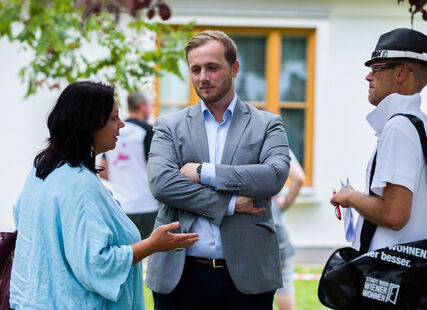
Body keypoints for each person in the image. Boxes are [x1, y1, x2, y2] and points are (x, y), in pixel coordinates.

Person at [9, 81, 198, 309]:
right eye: (113, 118)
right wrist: (152, 245)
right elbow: (97, 263)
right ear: (90, 124)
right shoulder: (78, 184)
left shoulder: (43, 167)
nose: (121, 125)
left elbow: (24, 220)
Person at [145, 30, 291, 310]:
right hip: (179, 275)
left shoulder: (267, 124)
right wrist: (231, 203)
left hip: (248, 277)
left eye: (212, 67)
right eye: (195, 69)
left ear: (234, 68)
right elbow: (162, 184)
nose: (203, 77)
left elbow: (273, 177)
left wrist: (204, 172)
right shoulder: (168, 125)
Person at [330, 28, 427, 253]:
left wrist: (351, 196)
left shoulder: (399, 128)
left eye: (376, 68)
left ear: (401, 73)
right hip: (412, 277)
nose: (368, 76)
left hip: (388, 278)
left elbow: (394, 215)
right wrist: (422, 231)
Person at [100, 90, 160, 239]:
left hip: (121, 205)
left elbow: (103, 170)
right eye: (150, 105)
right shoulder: (147, 131)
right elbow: (155, 168)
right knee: (148, 256)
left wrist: (122, 176)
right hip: (147, 205)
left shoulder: (114, 130)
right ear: (142, 106)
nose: (151, 110)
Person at [272, 150, 305, 310]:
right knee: (284, 284)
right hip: (276, 229)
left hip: (243, 225)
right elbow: (299, 177)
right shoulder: (276, 142)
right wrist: (285, 203)